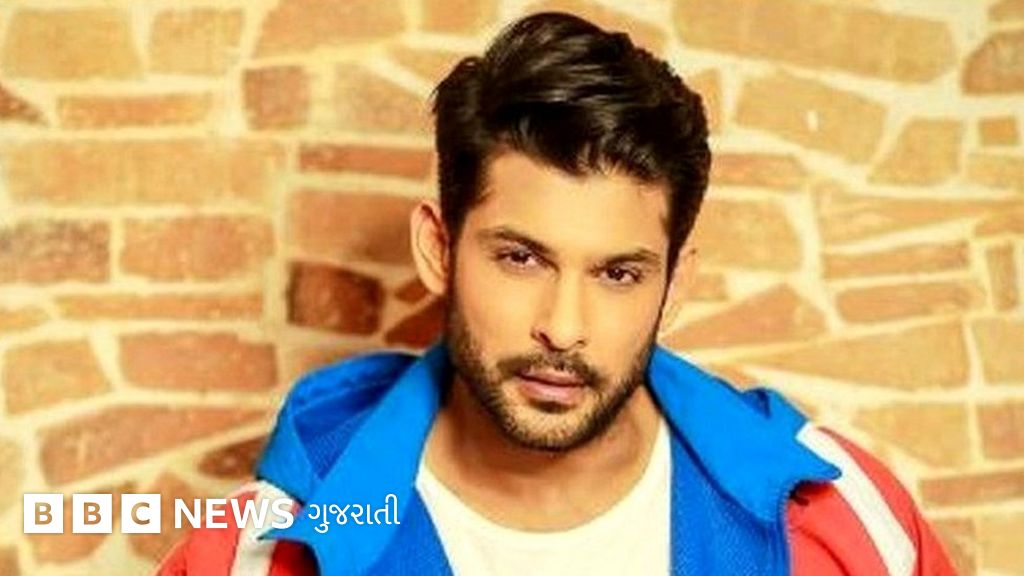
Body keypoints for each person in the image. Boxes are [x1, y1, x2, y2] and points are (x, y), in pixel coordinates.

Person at [157, 11, 956, 576]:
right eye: (521, 259)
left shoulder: (850, 522)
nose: (564, 328)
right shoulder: (255, 556)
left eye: (618, 274)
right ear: (439, 249)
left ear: (675, 284)